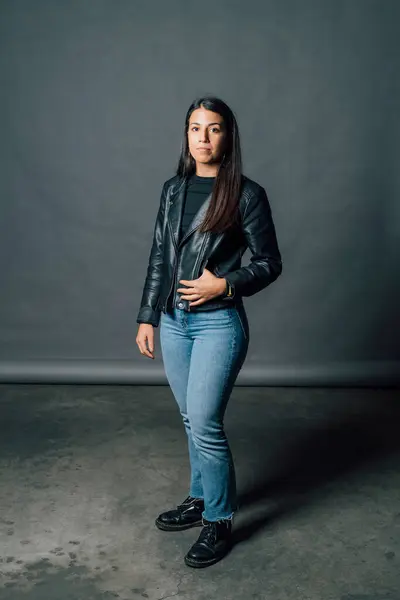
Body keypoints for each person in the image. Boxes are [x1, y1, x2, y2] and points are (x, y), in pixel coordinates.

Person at [136, 96, 282, 568]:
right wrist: (147, 315)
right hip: (176, 322)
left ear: (228, 136)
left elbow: (268, 263)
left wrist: (225, 282)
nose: (203, 137)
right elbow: (160, 255)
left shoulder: (246, 194)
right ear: (186, 134)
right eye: (195, 128)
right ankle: (199, 499)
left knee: (205, 423)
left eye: (213, 128)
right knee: (188, 419)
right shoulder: (172, 190)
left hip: (219, 323)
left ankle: (219, 520)